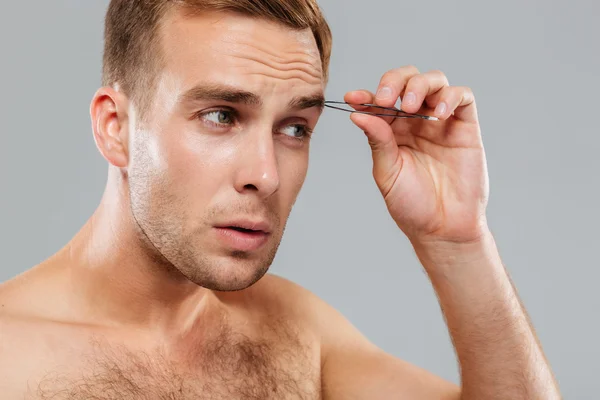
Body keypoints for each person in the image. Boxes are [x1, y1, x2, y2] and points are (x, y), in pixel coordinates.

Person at [0, 0, 561, 399]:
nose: (265, 175)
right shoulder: (11, 357)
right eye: (221, 116)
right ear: (115, 127)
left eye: (295, 127)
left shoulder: (297, 333)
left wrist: (457, 239)